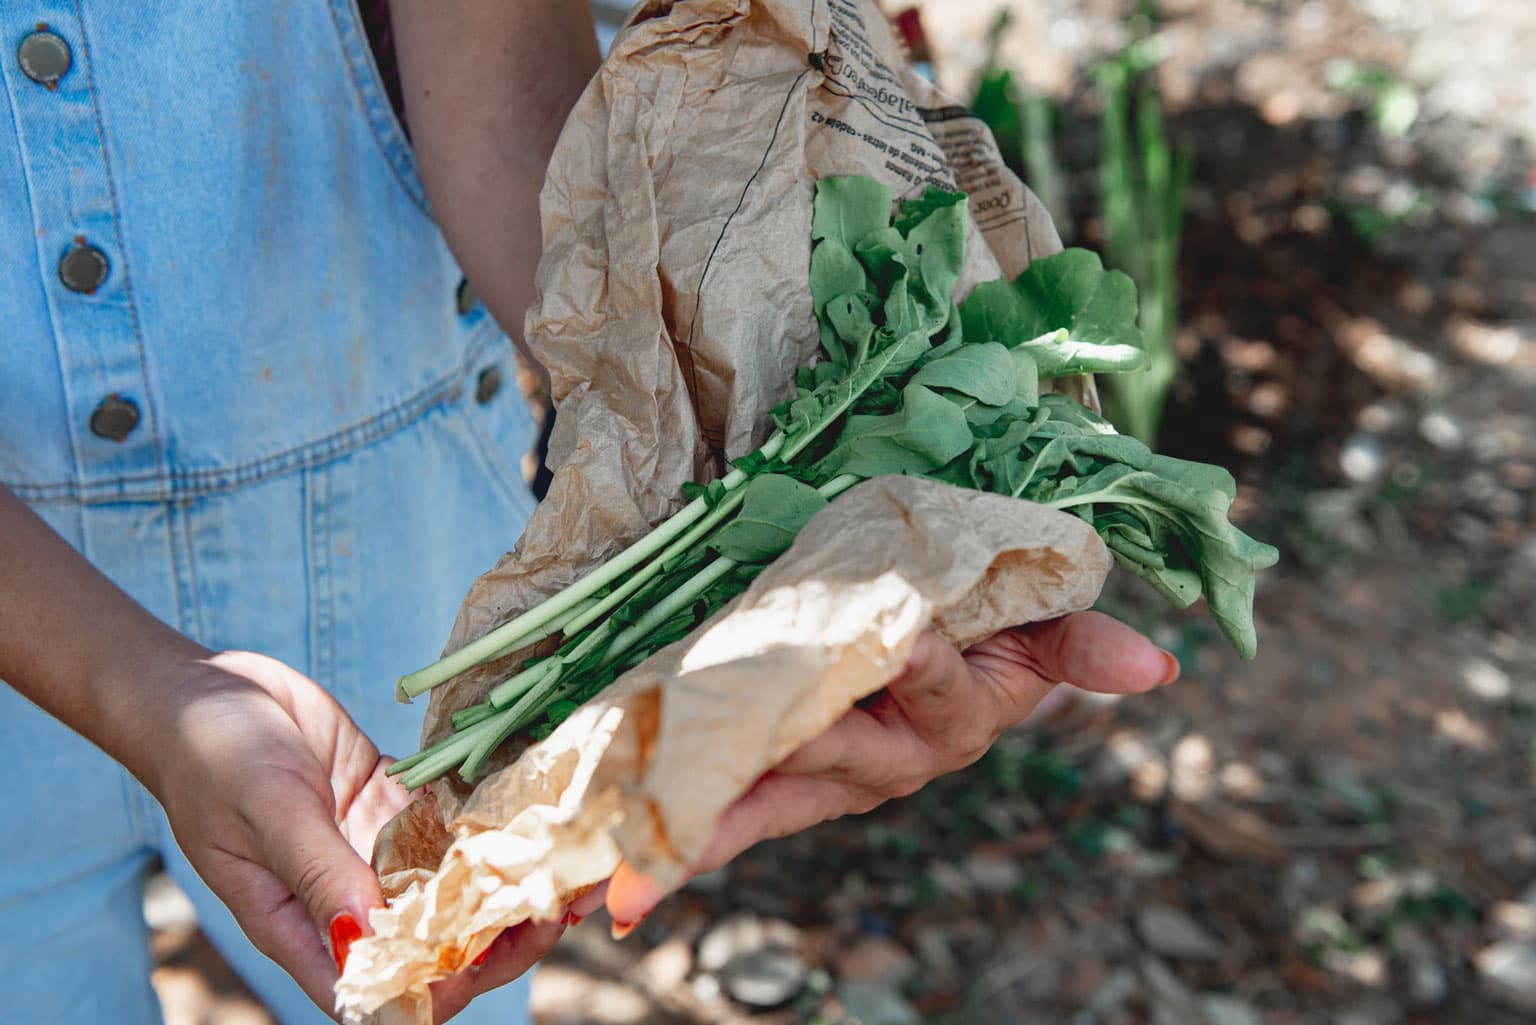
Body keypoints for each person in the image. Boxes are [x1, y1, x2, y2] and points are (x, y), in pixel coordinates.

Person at [0, 2, 1180, 1023]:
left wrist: (739, 490)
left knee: (435, 957)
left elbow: (504, 116)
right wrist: (150, 695)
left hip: (389, 538)